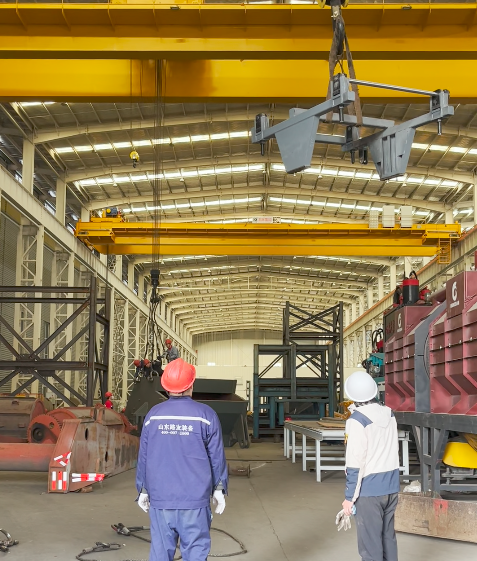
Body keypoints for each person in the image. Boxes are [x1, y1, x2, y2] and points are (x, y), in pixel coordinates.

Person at [136, 358, 228, 561]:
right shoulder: (206, 415)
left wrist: (142, 489)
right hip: (194, 502)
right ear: (191, 384)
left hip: (161, 500)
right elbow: (216, 457)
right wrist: (219, 488)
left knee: (160, 554)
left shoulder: (153, 416)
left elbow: (143, 456)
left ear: (166, 387)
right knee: (195, 553)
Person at [342, 371, 400, 561]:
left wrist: (349, 498)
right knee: (387, 538)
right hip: (391, 487)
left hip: (369, 491)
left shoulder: (357, 421)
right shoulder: (389, 414)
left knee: (370, 546)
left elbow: (355, 463)